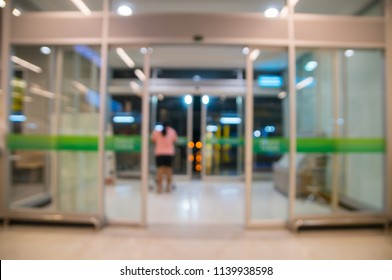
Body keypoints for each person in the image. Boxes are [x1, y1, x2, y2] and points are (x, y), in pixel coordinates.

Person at [151, 122, 178, 193]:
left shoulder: (157, 131)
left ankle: (159, 187)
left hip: (159, 153)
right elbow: (175, 140)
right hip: (169, 154)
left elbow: (153, 140)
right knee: (169, 170)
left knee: (160, 170)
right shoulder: (172, 131)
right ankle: (168, 187)